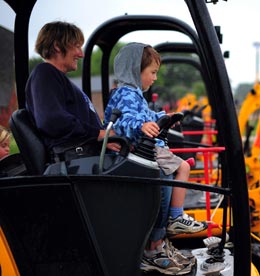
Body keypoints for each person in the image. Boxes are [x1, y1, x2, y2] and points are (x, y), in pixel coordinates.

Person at [104, 42, 207, 274]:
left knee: (176, 168)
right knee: (174, 169)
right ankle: (171, 223)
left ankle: (168, 228)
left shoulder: (135, 95)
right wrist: (142, 125)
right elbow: (125, 122)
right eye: (152, 73)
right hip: (134, 151)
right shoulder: (126, 94)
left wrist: (164, 116)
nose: (154, 78)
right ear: (135, 71)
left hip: (143, 149)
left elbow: (147, 114)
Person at [25, 21, 120, 158]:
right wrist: (99, 134)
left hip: (84, 155)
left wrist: (103, 139)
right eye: (76, 46)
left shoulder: (58, 79)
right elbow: (52, 120)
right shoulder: (45, 73)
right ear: (57, 46)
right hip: (74, 161)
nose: (81, 54)